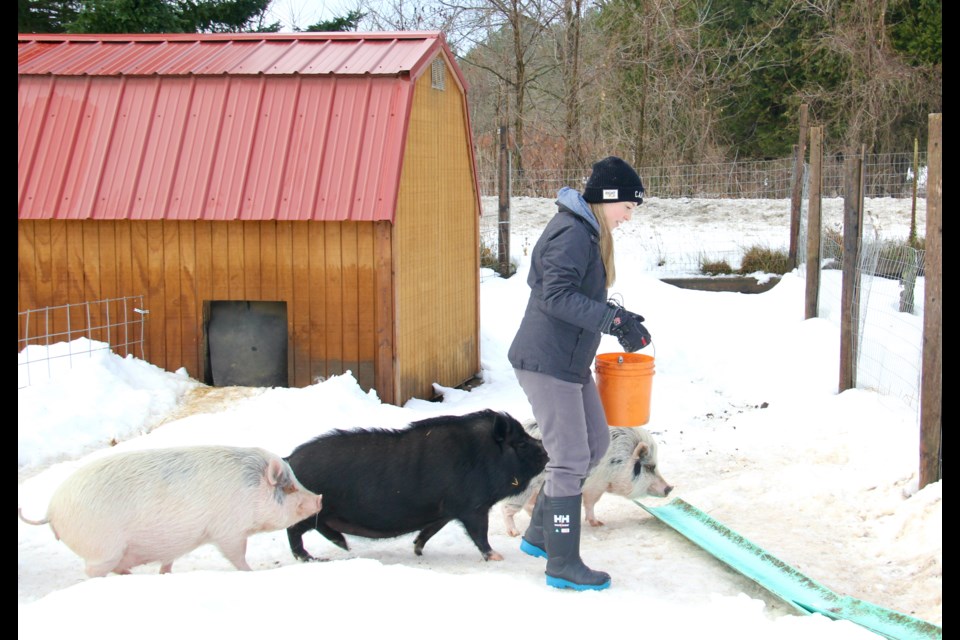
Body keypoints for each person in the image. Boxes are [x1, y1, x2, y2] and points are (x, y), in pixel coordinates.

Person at [507, 156, 651, 591]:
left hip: (568, 363)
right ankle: (562, 564)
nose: (628, 217)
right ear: (607, 199)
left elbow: (571, 297)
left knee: (595, 444)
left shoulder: (587, 231)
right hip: (547, 362)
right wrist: (614, 320)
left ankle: (538, 533)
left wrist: (617, 318)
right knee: (570, 459)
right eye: (627, 206)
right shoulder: (573, 232)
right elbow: (556, 296)